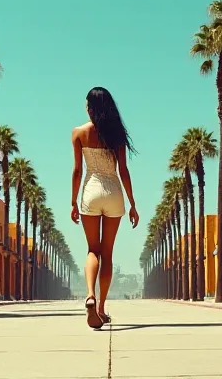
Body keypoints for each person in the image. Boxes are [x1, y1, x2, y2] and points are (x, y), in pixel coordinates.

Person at [71, 87, 139, 330]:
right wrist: (132, 204)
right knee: (107, 253)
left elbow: (78, 171)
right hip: (114, 193)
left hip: (90, 192)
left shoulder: (79, 133)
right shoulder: (117, 134)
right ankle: (100, 309)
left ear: (90, 107)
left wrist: (72, 201)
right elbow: (124, 171)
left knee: (93, 250)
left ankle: (90, 294)